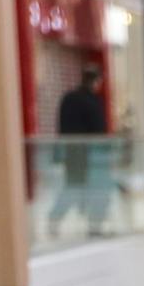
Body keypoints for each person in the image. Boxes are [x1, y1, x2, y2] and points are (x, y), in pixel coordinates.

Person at [50, 65, 112, 237]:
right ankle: (95, 226)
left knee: (72, 188)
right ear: (96, 81)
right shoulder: (92, 101)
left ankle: (54, 219)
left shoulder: (68, 98)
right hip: (92, 157)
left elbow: (61, 129)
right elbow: (99, 131)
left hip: (72, 155)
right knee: (99, 191)